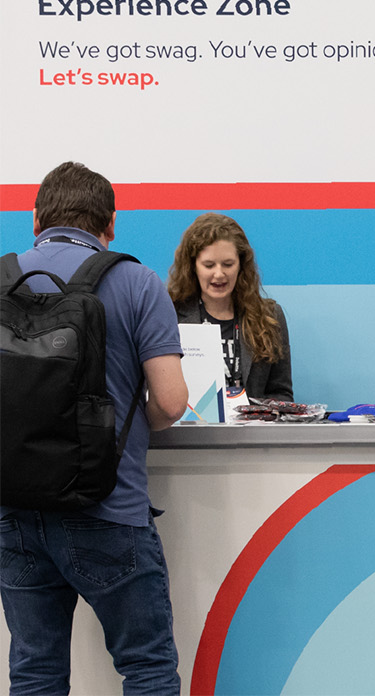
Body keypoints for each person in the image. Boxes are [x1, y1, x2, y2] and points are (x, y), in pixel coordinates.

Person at [0, 161, 189, 694]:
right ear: (109, 225)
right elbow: (172, 401)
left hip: (14, 512)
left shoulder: (0, 278)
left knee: (34, 670)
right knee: (146, 667)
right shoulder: (134, 280)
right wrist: (126, 431)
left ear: (35, 218)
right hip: (108, 506)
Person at [168, 213, 294, 401]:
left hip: (251, 430)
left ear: (241, 265)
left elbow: (281, 394)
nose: (219, 274)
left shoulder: (269, 317)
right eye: (209, 265)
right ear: (193, 267)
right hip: (192, 428)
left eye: (228, 264)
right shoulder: (171, 315)